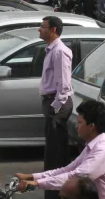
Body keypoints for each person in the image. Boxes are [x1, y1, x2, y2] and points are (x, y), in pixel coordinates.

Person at [17, 101, 105, 199]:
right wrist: (31, 177)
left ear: (91, 126)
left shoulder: (103, 150)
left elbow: (76, 177)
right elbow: (67, 170)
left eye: (80, 122)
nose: (76, 126)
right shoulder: (92, 146)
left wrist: (37, 183)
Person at [38, 16, 74, 198]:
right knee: (53, 152)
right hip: (51, 103)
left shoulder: (60, 51)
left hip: (57, 104)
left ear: (53, 30)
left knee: (55, 156)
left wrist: (56, 107)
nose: (39, 29)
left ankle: (57, 194)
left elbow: (64, 84)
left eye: (43, 27)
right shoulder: (51, 50)